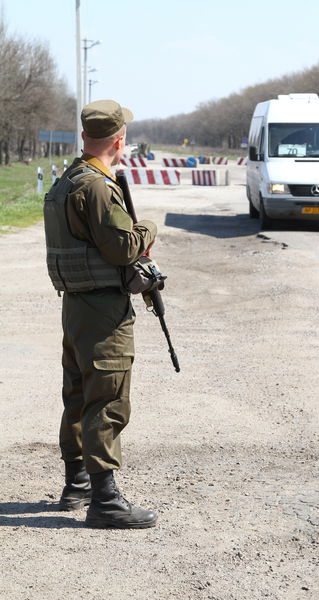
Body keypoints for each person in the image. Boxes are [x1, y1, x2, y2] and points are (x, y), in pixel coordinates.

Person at [43, 99, 158, 529]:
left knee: (77, 392)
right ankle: (105, 499)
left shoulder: (68, 179)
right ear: (119, 140)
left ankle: (77, 483)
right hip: (102, 310)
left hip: (76, 305)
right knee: (106, 396)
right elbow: (123, 248)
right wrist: (149, 227)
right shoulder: (95, 186)